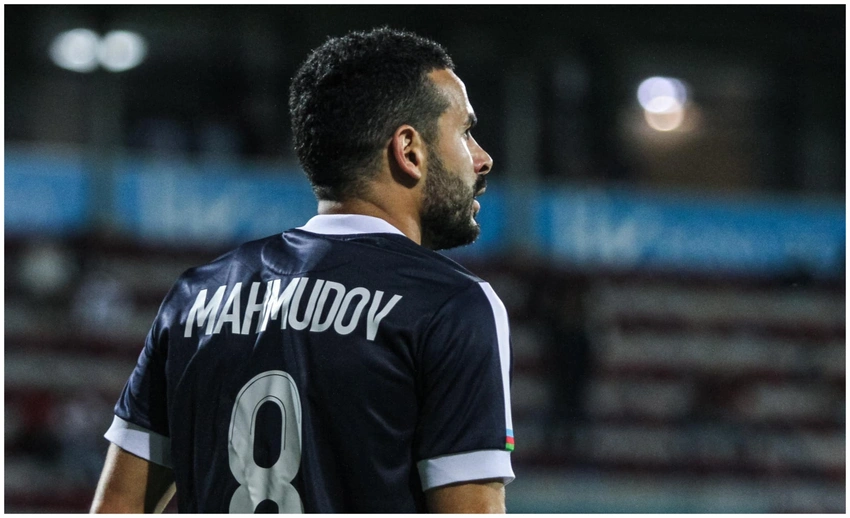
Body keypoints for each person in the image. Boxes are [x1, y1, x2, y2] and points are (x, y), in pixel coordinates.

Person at [90, 27, 514, 514]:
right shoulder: (452, 306)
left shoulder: (195, 297)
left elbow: (115, 508)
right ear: (409, 150)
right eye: (465, 132)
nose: (482, 159)